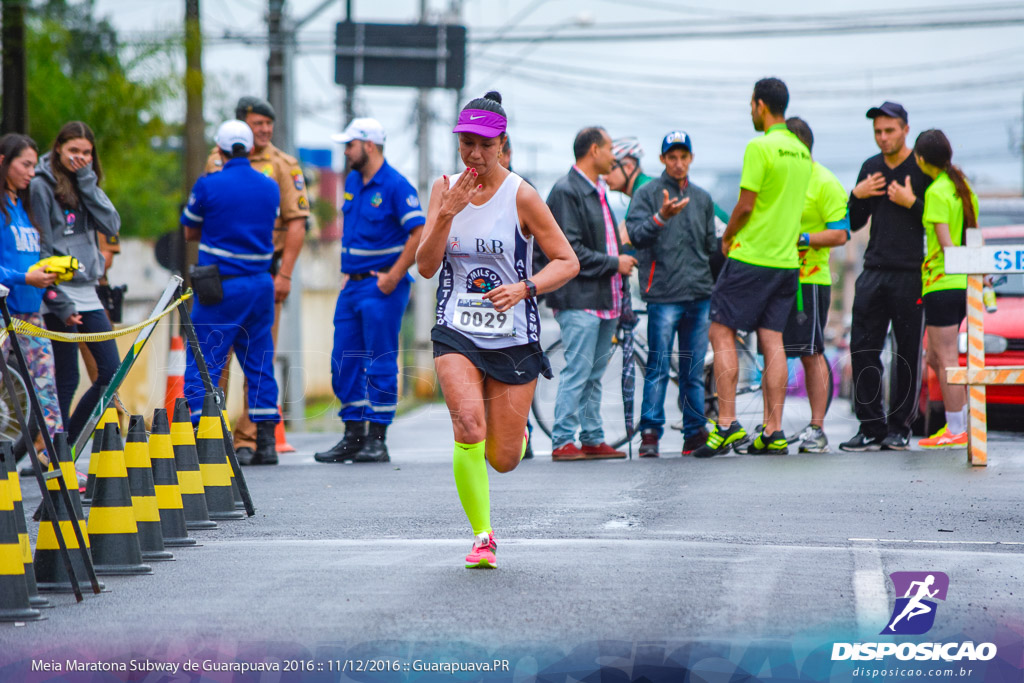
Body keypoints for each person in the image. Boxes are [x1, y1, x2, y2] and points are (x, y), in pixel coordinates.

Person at [416, 91, 578, 568]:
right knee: (468, 424)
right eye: (466, 143)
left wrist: (524, 288)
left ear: (503, 145)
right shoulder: (443, 187)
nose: (474, 154)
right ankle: (482, 536)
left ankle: (517, 435)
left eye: (485, 144)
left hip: (513, 334)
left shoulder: (521, 195)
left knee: (503, 457)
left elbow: (567, 262)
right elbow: (426, 268)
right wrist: (446, 212)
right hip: (457, 328)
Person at [693, 77, 812, 458]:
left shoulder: (761, 147)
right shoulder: (801, 151)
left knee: (721, 330)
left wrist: (726, 238)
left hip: (752, 256)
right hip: (786, 262)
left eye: (751, 105)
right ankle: (773, 430)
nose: (750, 111)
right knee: (772, 340)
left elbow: (745, 205)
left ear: (761, 105)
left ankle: (726, 424)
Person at [204, 96, 310, 461]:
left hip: (265, 271)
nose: (264, 130)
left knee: (257, 355)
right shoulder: (216, 160)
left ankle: (250, 438)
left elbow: (297, 223)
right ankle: (212, 433)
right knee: (216, 355)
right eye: (256, 124)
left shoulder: (283, 165)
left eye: (268, 123)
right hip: (219, 275)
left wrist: (285, 274)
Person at [313, 117, 424, 464]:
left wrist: (393, 275)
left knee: (380, 360)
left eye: (350, 145)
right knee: (344, 360)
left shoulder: (395, 185)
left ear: (369, 146)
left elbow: (418, 233)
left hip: (382, 286)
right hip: (353, 286)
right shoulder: (351, 181)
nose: (346, 151)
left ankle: (377, 438)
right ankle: (353, 435)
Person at [181, 120, 281, 465]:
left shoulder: (209, 185)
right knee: (259, 359)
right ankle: (266, 442)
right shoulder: (270, 187)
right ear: (252, 149)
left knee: (205, 357)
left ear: (220, 151)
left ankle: (200, 437)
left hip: (219, 286)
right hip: (260, 285)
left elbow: (189, 230)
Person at [840, 102, 932, 452]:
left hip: (911, 271)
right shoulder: (871, 167)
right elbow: (853, 222)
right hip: (873, 270)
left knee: (906, 353)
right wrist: (856, 195)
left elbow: (940, 219)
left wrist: (912, 202)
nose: (882, 137)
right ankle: (871, 427)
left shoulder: (922, 166)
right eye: (877, 131)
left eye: (889, 130)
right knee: (863, 348)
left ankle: (900, 427)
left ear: (905, 129)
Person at [545, 126, 637, 461]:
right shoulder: (567, 190)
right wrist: (615, 263)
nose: (615, 156)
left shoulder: (596, 190)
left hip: (603, 298)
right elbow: (570, 253)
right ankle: (562, 440)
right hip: (579, 300)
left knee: (594, 373)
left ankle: (592, 436)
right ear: (594, 150)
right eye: (611, 148)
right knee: (578, 370)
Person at [626, 131, 716, 457]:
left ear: (691, 158)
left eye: (684, 156)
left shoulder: (703, 199)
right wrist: (661, 217)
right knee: (658, 365)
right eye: (672, 157)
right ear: (662, 159)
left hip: (699, 294)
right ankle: (650, 433)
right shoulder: (647, 194)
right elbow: (635, 235)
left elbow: (712, 247)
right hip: (663, 295)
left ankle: (694, 433)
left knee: (693, 371)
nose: (678, 163)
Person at [31, 121, 121, 444]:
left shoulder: (86, 180)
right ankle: (55, 450)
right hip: (57, 289)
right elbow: (42, 245)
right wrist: (55, 296)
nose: (80, 158)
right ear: (59, 149)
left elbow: (111, 223)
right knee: (66, 377)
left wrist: (87, 182)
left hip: (88, 289)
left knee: (111, 371)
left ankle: (65, 443)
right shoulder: (41, 184)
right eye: (73, 151)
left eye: (86, 153)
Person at [781, 117, 850, 454]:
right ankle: (771, 427)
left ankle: (817, 429)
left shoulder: (824, 181)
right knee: (773, 352)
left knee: (810, 352)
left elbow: (840, 233)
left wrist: (803, 238)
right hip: (774, 276)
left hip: (808, 281)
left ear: (800, 146)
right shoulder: (779, 179)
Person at [0, 134, 64, 459]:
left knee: (46, 390)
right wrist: (25, 276)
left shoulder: (22, 207)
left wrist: (49, 274)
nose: (31, 172)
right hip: (2, 314)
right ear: (3, 161)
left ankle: (57, 460)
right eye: (25, 164)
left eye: (33, 165)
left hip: (30, 313)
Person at [913, 129, 977, 449]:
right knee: (934, 356)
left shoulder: (938, 191)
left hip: (942, 281)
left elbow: (945, 243)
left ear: (921, 159)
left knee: (946, 356)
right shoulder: (962, 188)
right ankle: (958, 423)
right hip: (960, 283)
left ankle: (958, 429)